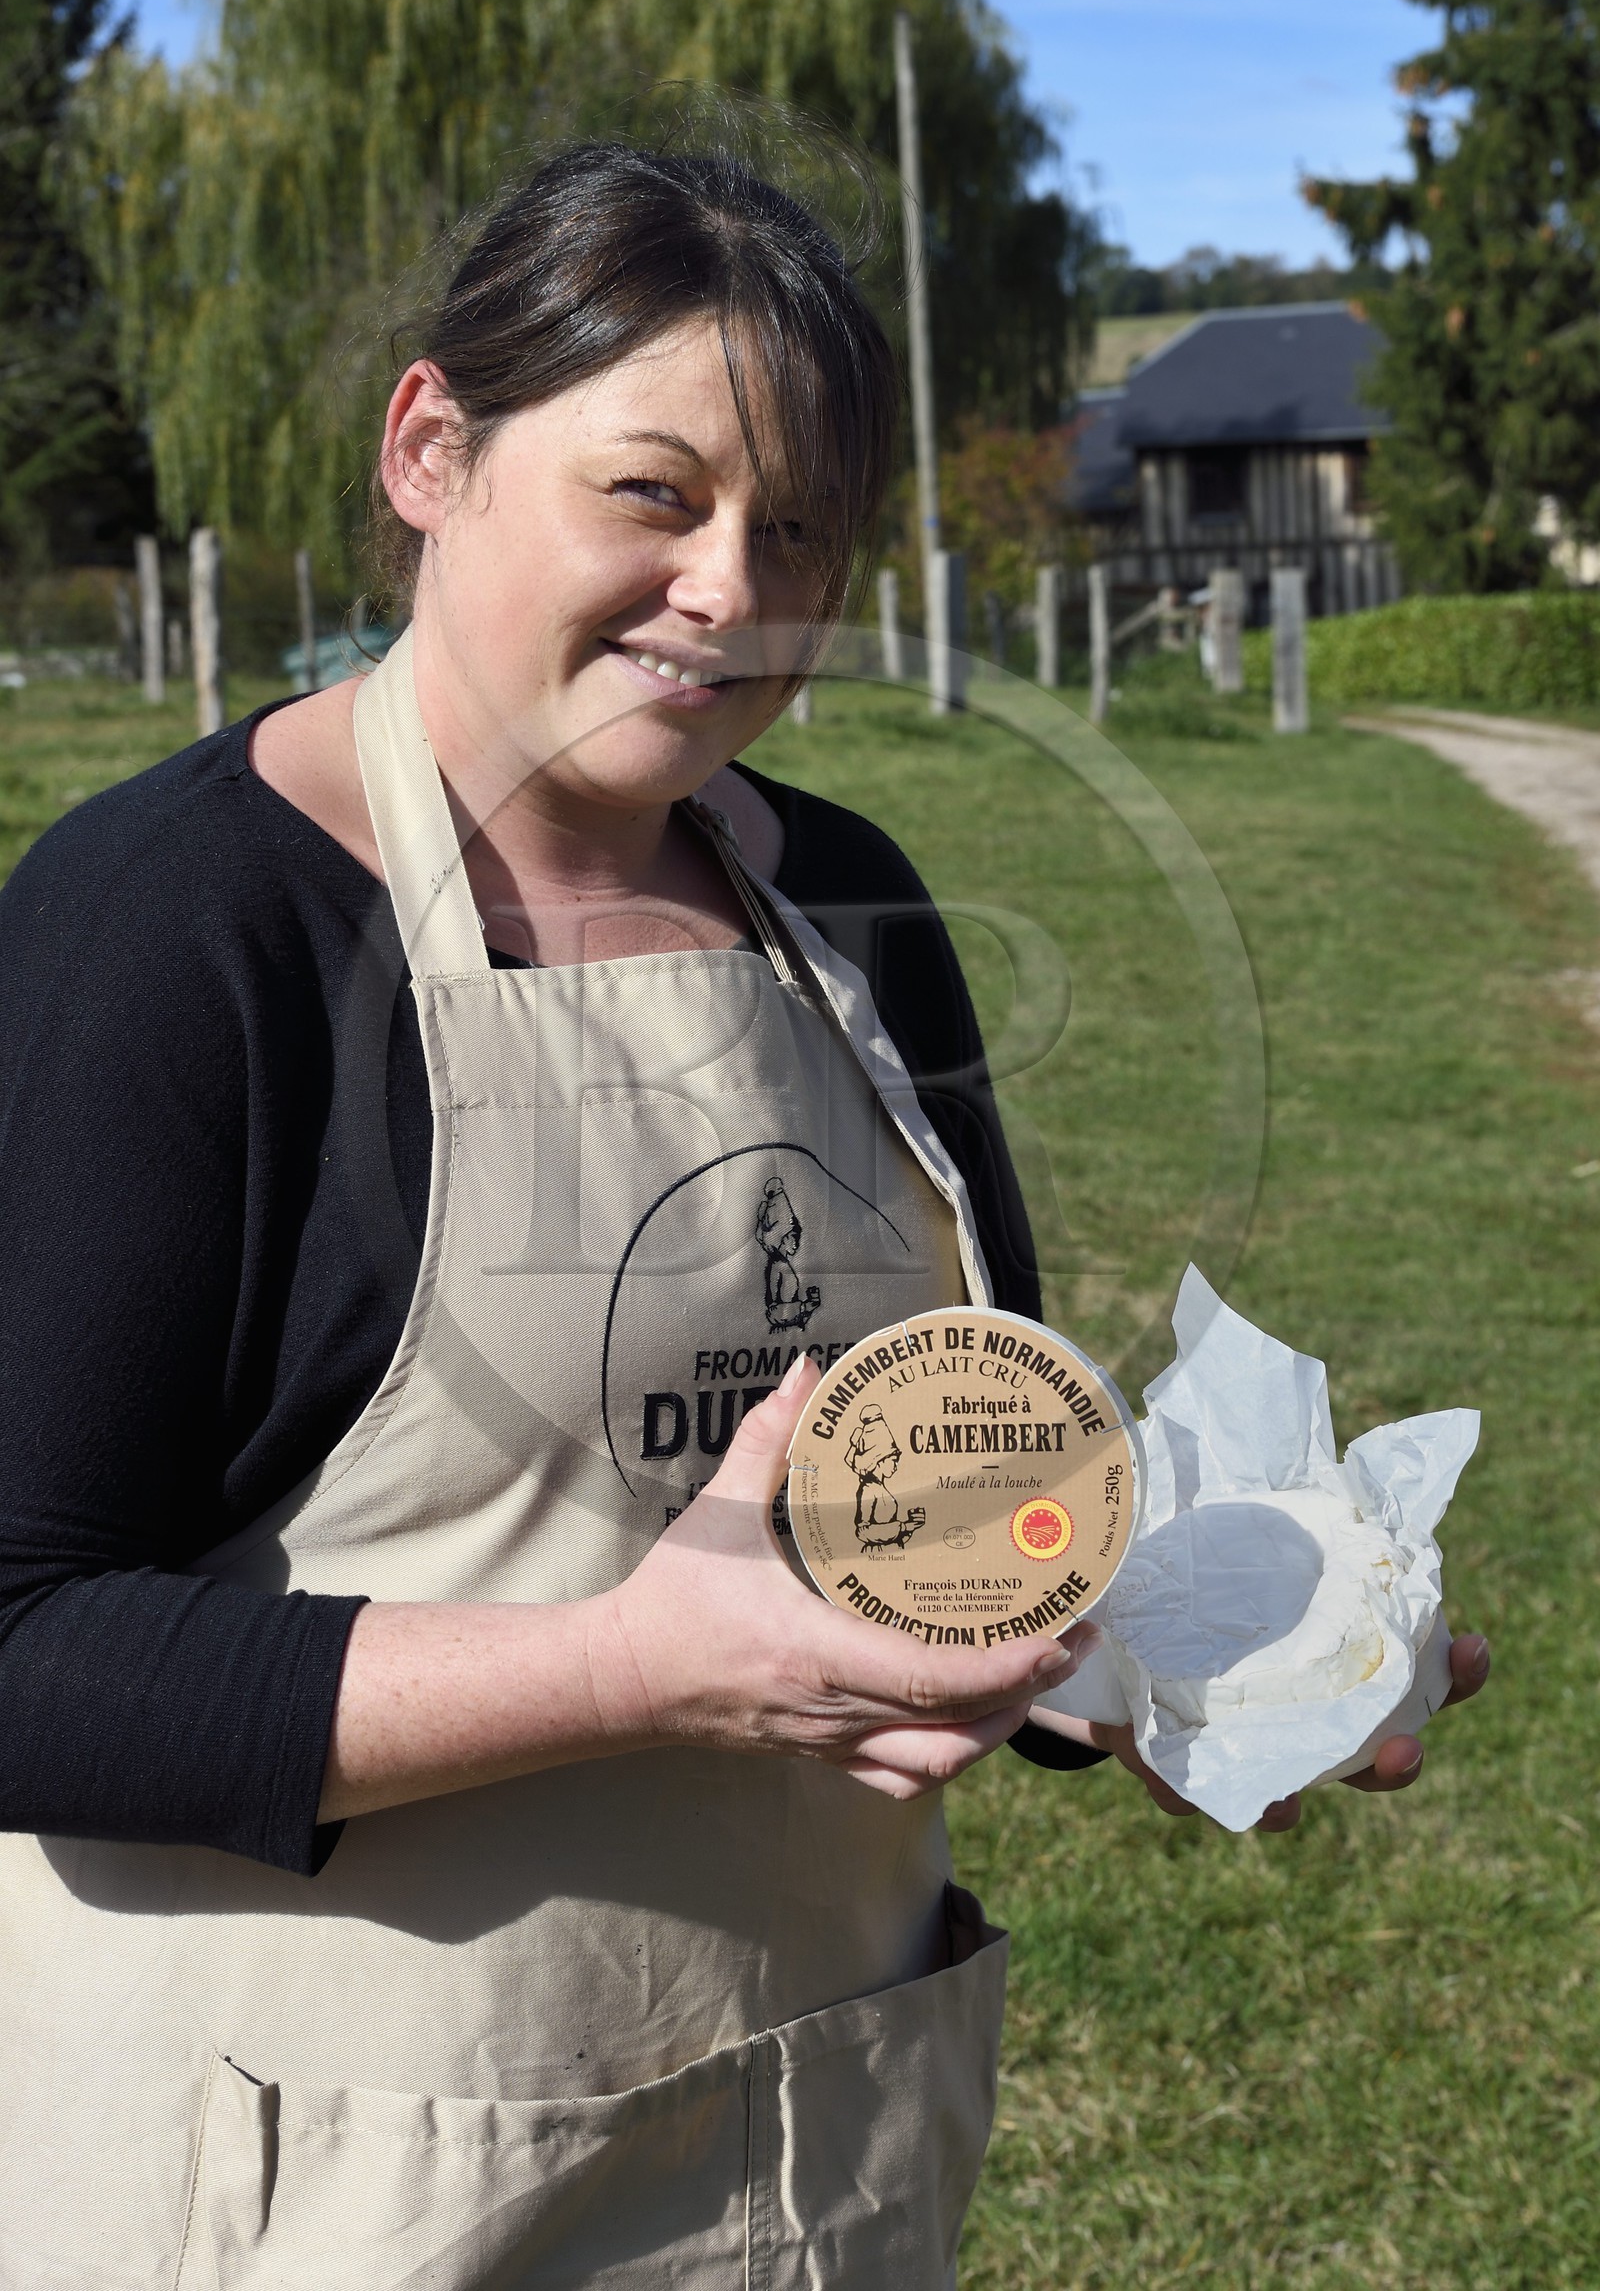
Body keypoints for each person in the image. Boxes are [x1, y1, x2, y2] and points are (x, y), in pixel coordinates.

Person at [0, 141, 1489, 2287]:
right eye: (653, 493)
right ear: (433, 446)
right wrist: (629, 1670)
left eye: (796, 525)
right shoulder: (174, 932)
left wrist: (1190, 1661)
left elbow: (951, 1509)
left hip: (803, 2167)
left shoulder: (856, 909)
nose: (729, 586)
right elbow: (24, 1646)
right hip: (318, 2182)